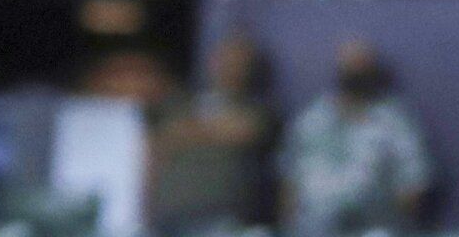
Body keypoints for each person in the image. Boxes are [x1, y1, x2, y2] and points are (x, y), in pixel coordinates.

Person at [280, 40, 431, 237]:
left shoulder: (395, 122)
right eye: (350, 65)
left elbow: (413, 184)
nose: (355, 71)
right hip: (313, 228)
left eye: (362, 65)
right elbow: (289, 181)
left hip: (374, 228)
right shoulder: (312, 119)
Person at [146, 33, 280, 235]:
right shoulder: (180, 104)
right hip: (169, 215)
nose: (229, 66)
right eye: (224, 58)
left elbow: (244, 130)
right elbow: (158, 145)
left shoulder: (256, 109)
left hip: (219, 217)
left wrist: (185, 133)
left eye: (238, 61)